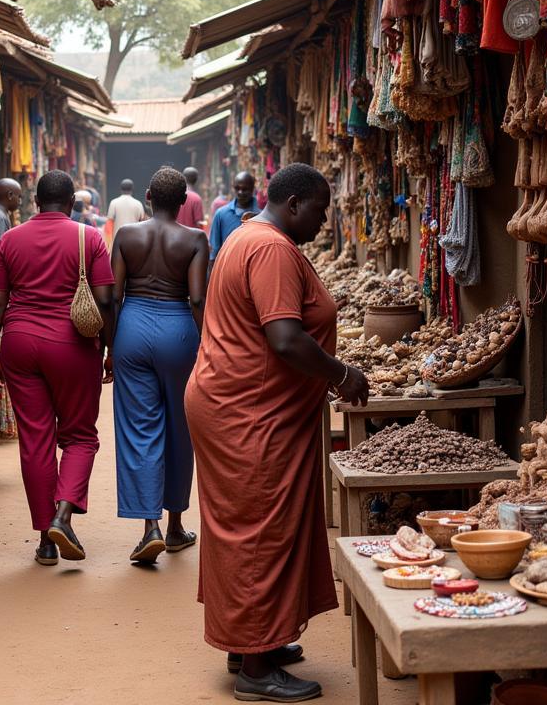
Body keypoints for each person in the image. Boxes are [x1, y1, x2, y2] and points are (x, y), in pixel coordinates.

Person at [185, 163, 368, 702]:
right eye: (320, 209)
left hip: (237, 403)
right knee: (259, 527)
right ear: (292, 204)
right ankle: (256, 670)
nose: (324, 219)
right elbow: (285, 338)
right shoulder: (270, 248)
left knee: (250, 522)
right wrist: (341, 375)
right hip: (248, 411)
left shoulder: (248, 236)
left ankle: (251, 642)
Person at [0, 170, 116, 566]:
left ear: (35, 202)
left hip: (19, 345)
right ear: (72, 201)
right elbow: (105, 301)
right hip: (72, 346)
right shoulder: (89, 238)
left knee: (35, 439)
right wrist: (111, 348)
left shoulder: (10, 239)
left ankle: (45, 539)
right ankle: (63, 514)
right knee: (79, 436)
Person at [111, 167, 207, 564]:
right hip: (178, 331)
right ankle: (174, 527)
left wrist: (109, 346)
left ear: (148, 196)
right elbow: (199, 299)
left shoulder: (126, 236)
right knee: (180, 428)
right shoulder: (195, 239)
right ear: (184, 201)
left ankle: (148, 526)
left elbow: (112, 298)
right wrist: (209, 347)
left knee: (139, 429)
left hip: (131, 328)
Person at [207, 171, 257, 274]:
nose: (240, 192)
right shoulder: (221, 214)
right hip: (226, 274)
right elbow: (214, 252)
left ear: (252, 189)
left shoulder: (260, 216)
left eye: (245, 189)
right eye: (237, 188)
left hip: (252, 273)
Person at [105, 178, 147, 243]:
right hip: (134, 240)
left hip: (118, 240)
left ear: (120, 189)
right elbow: (143, 223)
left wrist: (109, 242)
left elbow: (109, 223)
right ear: (132, 189)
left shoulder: (114, 203)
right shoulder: (138, 204)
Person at [176, 166, 206, 230]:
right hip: (191, 238)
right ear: (196, 180)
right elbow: (199, 224)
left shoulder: (175, 195)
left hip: (174, 237)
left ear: (183, 178)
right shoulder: (196, 199)